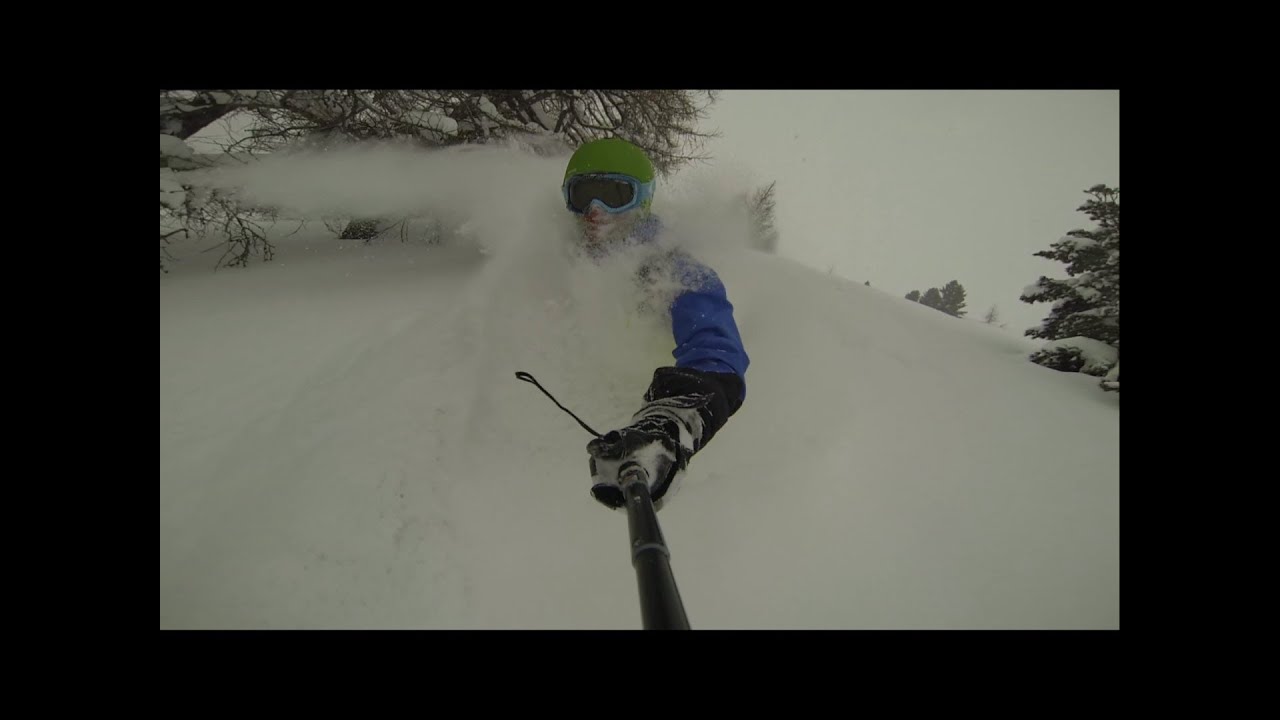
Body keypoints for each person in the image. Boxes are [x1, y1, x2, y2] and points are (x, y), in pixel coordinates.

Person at [561, 138, 749, 511]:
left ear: (642, 200)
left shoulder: (673, 269)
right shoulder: (556, 250)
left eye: (615, 194)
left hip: (637, 408)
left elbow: (715, 346)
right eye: (583, 195)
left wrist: (674, 419)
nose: (595, 211)